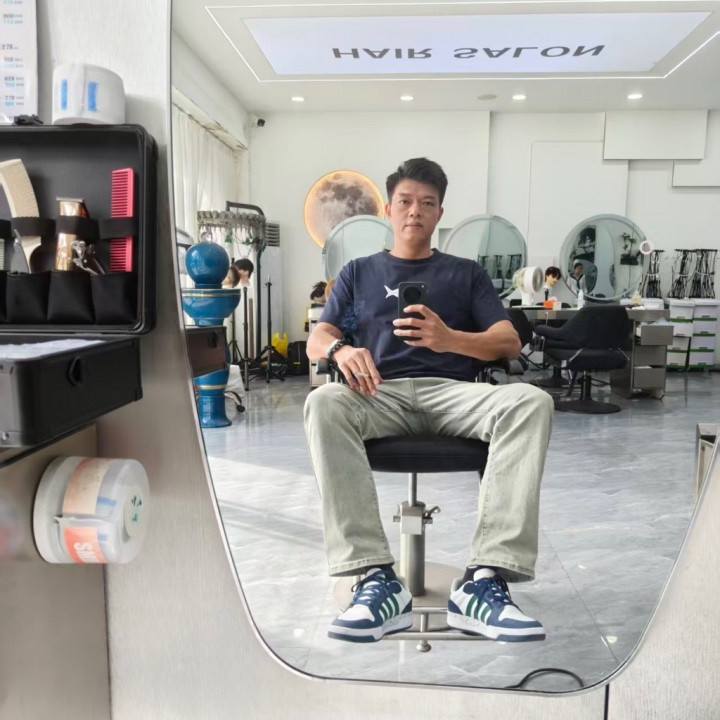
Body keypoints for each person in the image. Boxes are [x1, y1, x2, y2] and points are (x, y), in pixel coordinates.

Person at [304, 157, 554, 644]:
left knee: (531, 401)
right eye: (405, 201)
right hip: (378, 393)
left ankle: (484, 578)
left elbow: (508, 342)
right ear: (389, 209)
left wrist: (449, 339)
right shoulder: (358, 272)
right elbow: (319, 337)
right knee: (324, 402)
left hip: (454, 394)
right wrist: (340, 350)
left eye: (427, 203)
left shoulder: (466, 274)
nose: (414, 211)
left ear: (440, 213)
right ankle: (375, 576)